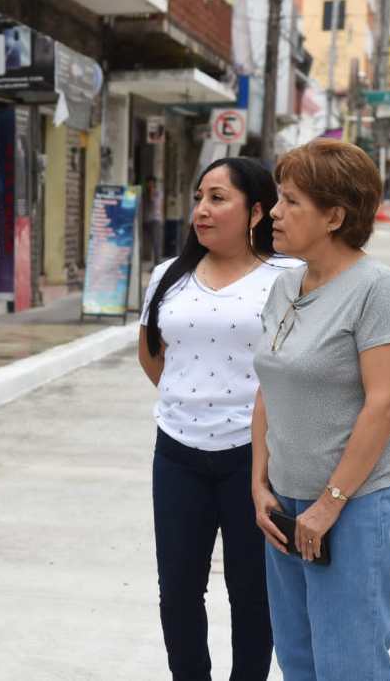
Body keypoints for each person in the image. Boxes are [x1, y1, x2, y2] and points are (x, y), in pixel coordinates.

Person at [252, 139, 390, 678]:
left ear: (334, 217)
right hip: (286, 503)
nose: (274, 212)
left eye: (291, 201)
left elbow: (385, 404)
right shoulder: (284, 284)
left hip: (356, 502)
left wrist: (328, 505)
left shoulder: (375, 287)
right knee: (298, 660)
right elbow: (268, 386)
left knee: (350, 663)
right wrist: (259, 484)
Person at [139, 157, 301, 681]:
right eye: (199, 199)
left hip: (256, 459)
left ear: (255, 211)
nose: (202, 211)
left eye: (217, 198)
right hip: (177, 452)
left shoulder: (289, 278)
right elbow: (152, 354)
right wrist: (193, 400)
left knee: (252, 590)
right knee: (178, 589)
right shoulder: (168, 275)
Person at [143, 175, 165, 266]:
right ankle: (152, 262)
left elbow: (153, 202)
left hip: (155, 220)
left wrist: (151, 191)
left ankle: (157, 264)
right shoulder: (145, 194)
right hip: (146, 220)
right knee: (149, 243)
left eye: (151, 183)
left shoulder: (157, 193)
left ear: (154, 184)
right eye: (148, 183)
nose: (149, 185)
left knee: (156, 243)